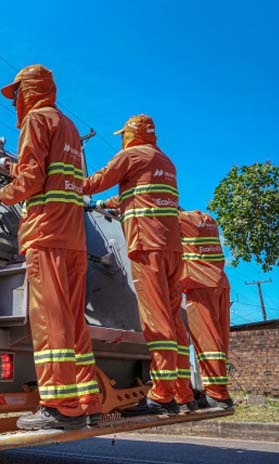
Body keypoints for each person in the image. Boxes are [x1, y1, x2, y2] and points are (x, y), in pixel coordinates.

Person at [0, 64, 101, 430]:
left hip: (46, 234)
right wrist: (14, 166)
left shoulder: (35, 120)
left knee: (50, 321)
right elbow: (55, 173)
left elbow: (33, 180)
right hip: (74, 238)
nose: (14, 103)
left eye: (16, 94)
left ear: (28, 91)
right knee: (73, 321)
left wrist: (1, 195)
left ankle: (59, 407)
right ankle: (88, 401)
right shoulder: (67, 126)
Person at [84, 115, 195, 415]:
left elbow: (96, 181)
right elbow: (139, 195)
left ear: (130, 134)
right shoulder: (165, 162)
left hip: (147, 245)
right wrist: (101, 205)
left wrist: (65, 185)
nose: (122, 140)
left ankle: (161, 394)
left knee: (156, 320)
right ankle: (183, 392)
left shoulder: (131, 155)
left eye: (123, 135)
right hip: (171, 248)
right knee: (173, 318)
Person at [179, 209, 235, 409]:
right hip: (219, 281)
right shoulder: (207, 220)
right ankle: (220, 392)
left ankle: (216, 394)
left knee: (207, 340)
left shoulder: (180, 220)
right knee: (219, 340)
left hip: (200, 284)